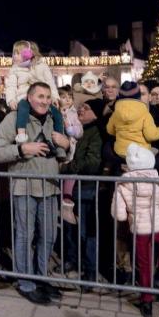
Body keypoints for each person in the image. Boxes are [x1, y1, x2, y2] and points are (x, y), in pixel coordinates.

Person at [0, 82, 70, 305]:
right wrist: (21, 149)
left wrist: (67, 144)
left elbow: (64, 154)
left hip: (50, 185)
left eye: (47, 96)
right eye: (39, 96)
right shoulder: (14, 119)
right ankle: (26, 282)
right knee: (25, 235)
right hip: (24, 185)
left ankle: (41, 277)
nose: (44, 101)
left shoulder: (56, 118)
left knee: (48, 235)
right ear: (29, 97)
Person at [111, 144, 159, 317]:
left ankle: (146, 301)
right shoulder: (158, 181)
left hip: (139, 229)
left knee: (144, 265)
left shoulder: (123, 184)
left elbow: (119, 214)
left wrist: (126, 214)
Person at [58, 98, 103, 287]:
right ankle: (73, 262)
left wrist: (68, 168)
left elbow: (92, 162)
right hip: (74, 187)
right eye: (81, 107)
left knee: (85, 232)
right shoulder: (79, 131)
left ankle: (90, 271)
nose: (81, 110)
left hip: (86, 188)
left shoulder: (95, 132)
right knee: (71, 228)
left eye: (87, 108)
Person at [4, 40, 64, 146]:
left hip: (42, 98)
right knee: (23, 108)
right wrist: (11, 100)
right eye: (14, 53)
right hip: (24, 97)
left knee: (57, 114)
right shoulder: (15, 69)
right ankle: (21, 134)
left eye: (18, 53)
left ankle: (59, 137)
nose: (14, 56)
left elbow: (50, 83)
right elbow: (11, 87)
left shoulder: (41, 66)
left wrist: (54, 97)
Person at [106, 81, 159, 159]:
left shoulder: (116, 112)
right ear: (137, 97)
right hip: (140, 152)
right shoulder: (145, 113)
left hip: (121, 151)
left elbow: (110, 130)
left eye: (143, 94)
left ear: (150, 97)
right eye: (140, 94)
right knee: (155, 153)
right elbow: (151, 136)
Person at [57, 85, 83, 224]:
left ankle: (66, 205)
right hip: (58, 150)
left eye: (70, 97)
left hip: (71, 150)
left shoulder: (73, 113)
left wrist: (69, 126)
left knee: (70, 175)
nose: (67, 100)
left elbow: (77, 132)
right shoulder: (55, 111)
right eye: (63, 97)